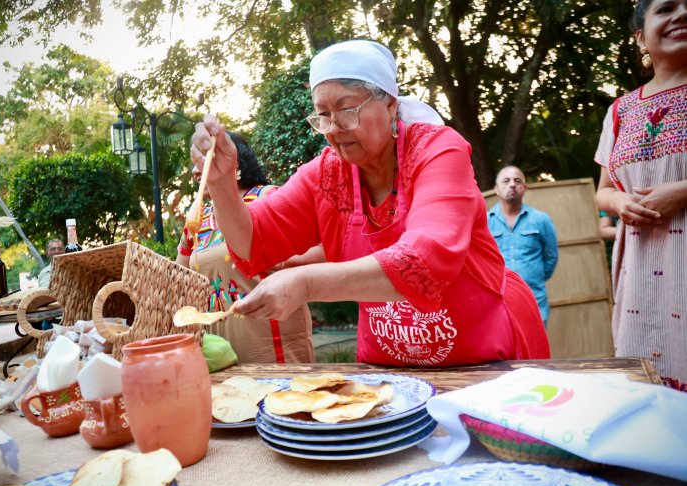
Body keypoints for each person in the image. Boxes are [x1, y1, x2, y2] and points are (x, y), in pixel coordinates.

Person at [189, 40, 550, 367]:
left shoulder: (438, 150)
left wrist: (306, 283)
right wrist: (222, 185)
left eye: (347, 109)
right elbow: (253, 243)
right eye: (323, 115)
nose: (333, 128)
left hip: (482, 355)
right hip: (388, 368)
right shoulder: (327, 174)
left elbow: (424, 260)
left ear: (390, 105)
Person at [594, 0, 687, 392]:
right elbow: (604, 191)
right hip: (641, 282)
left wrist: (682, 192)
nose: (681, 15)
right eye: (666, 9)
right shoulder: (620, 111)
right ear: (640, 37)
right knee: (649, 403)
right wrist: (619, 203)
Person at [176, 132, 314, 363]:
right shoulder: (197, 220)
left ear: (233, 163)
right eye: (194, 163)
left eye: (203, 160)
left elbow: (322, 251)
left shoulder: (268, 197)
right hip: (220, 357)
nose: (195, 171)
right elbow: (177, 279)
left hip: (274, 352)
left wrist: (270, 256)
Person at [487, 166, 559, 327]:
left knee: (535, 351)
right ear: (496, 190)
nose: (512, 184)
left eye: (517, 181)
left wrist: (533, 277)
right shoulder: (485, 223)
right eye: (506, 181)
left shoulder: (541, 220)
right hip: (498, 303)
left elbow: (551, 258)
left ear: (524, 188)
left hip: (534, 301)